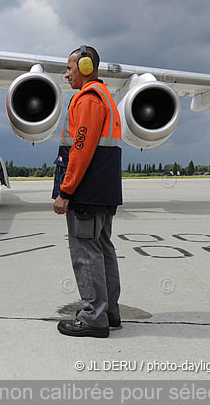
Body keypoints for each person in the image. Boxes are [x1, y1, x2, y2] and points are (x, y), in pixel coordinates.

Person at [53, 45, 123, 338]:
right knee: (102, 248)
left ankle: (94, 316)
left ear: (85, 68)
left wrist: (65, 191)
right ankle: (107, 312)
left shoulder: (88, 100)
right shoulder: (105, 96)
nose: (66, 74)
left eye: (70, 68)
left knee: (86, 252)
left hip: (87, 192)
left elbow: (80, 149)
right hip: (102, 192)